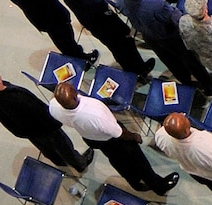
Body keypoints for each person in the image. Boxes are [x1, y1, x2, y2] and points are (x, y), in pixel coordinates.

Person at [50, 81, 178, 194]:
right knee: (139, 161)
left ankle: (134, 182)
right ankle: (158, 186)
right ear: (74, 96)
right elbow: (118, 133)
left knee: (117, 160)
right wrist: (134, 136)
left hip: (90, 137)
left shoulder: (54, 106)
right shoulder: (95, 114)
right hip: (113, 139)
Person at [0, 68, 89, 171]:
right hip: (43, 127)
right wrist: (56, 122)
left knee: (46, 148)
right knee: (63, 145)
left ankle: (59, 161)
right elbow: (41, 113)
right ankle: (79, 164)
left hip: (24, 130)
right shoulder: (19, 98)